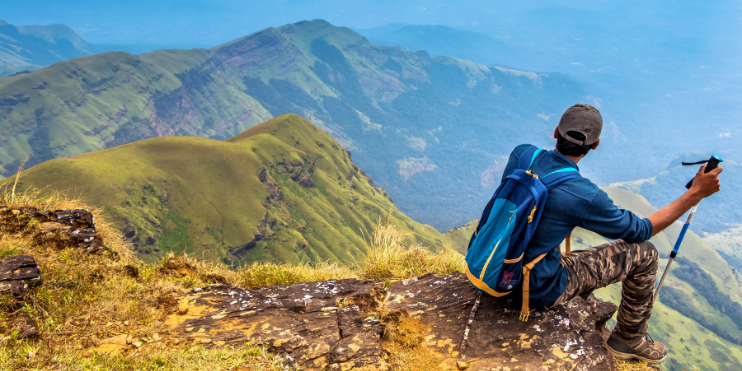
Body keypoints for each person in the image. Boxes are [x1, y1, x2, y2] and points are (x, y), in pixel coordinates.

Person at [500, 103, 722, 364]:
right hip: (532, 288)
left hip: (490, 265)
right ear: (595, 145)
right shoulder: (582, 193)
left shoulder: (522, 154)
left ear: (555, 132)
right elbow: (640, 230)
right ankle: (628, 339)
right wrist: (695, 193)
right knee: (645, 252)